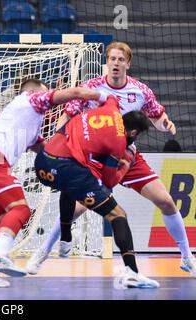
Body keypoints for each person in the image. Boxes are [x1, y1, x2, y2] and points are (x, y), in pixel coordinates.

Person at [28, 41, 196, 278]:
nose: (116, 63)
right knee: (76, 210)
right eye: (112, 59)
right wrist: (58, 144)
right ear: (107, 62)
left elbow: (158, 115)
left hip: (129, 156)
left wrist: (165, 125)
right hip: (98, 158)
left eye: (120, 59)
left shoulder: (140, 90)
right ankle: (42, 253)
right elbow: (69, 114)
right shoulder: (93, 87)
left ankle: (187, 257)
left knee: (166, 201)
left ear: (128, 63)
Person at [0, 78, 107, 288]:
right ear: (36, 92)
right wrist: (102, 96)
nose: (47, 105)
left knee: (2, 220)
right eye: (45, 93)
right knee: (20, 210)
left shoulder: (21, 117)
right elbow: (74, 93)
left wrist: (67, 166)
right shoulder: (31, 99)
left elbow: (44, 150)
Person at [34, 95, 159, 288]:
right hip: (67, 168)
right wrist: (126, 162)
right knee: (118, 215)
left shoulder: (111, 107)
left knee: (69, 186)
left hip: (43, 162)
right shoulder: (118, 143)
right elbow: (109, 182)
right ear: (133, 132)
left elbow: (108, 97)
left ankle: (65, 237)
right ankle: (132, 272)